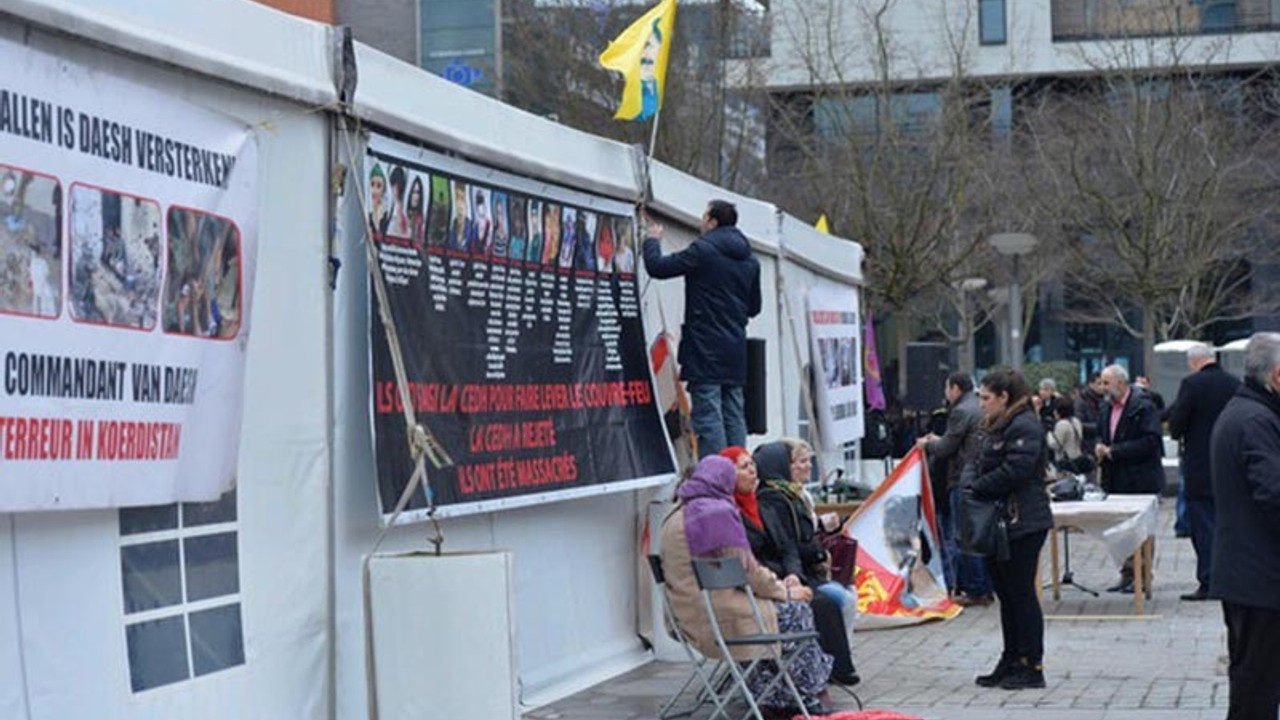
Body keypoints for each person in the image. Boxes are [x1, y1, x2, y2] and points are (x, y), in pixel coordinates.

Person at [659, 456, 833, 717]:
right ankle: (800, 695)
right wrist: (786, 592)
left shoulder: (676, 514)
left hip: (685, 614)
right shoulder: (715, 513)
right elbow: (748, 571)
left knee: (779, 614)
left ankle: (771, 694)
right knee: (797, 613)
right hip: (719, 617)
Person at [722, 446, 860, 687]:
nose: (753, 471)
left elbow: (788, 546)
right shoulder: (736, 510)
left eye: (752, 465)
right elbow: (748, 561)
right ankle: (821, 674)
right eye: (744, 467)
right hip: (760, 587)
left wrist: (794, 574)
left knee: (830, 600)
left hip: (784, 577)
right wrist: (783, 582)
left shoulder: (763, 505)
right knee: (823, 603)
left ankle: (831, 670)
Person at [643, 200, 762, 457]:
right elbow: (754, 308)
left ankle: (716, 480)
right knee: (733, 415)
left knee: (708, 417)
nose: (700, 222)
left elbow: (658, 267)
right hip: (735, 350)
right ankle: (739, 472)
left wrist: (652, 240)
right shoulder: (750, 260)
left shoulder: (703, 251)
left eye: (703, 217)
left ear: (713, 222)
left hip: (704, 348)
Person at [962, 370, 1052, 690]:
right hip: (999, 520)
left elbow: (1017, 469)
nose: (982, 403)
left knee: (1021, 594)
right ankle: (1011, 658)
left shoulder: (1024, 424)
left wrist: (978, 488)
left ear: (1004, 397)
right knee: (1007, 595)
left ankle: (1032, 664)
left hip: (1023, 520)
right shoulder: (995, 425)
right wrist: (971, 483)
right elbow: (975, 460)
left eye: (987, 397)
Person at [1208, 333, 1280, 720]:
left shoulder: (1250, 412)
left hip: (1251, 575)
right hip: (1259, 580)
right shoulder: (1255, 419)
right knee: (1256, 688)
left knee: (1254, 683)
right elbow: (1273, 493)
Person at [1167, 343, 1241, 602]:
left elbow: (1176, 426)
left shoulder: (1191, 384)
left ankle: (1209, 580)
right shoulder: (1234, 383)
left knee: (1203, 526)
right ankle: (1232, 578)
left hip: (1199, 466)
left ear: (1192, 362)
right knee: (1228, 525)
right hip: (1230, 466)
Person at [918, 373, 993, 606]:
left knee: (961, 537)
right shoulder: (979, 406)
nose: (945, 393)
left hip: (962, 479)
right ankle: (984, 587)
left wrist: (928, 444)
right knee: (977, 535)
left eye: (947, 388)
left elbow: (946, 448)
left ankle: (974, 589)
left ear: (956, 389)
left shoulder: (960, 411)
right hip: (980, 478)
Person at [1095, 364, 1164, 593]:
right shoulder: (1105, 407)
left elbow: (1151, 442)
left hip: (1140, 478)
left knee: (1142, 530)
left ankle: (1143, 576)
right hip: (1115, 478)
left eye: (1107, 382)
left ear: (1121, 383)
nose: (1103, 387)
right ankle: (1126, 573)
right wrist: (1099, 446)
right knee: (1121, 530)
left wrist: (1114, 451)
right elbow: (1101, 433)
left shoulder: (1143, 406)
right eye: (1102, 382)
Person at [1046, 397, 1086, 478]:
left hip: (1065, 462)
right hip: (1077, 458)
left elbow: (1055, 444)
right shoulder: (1076, 421)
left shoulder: (1062, 424)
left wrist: (1048, 434)